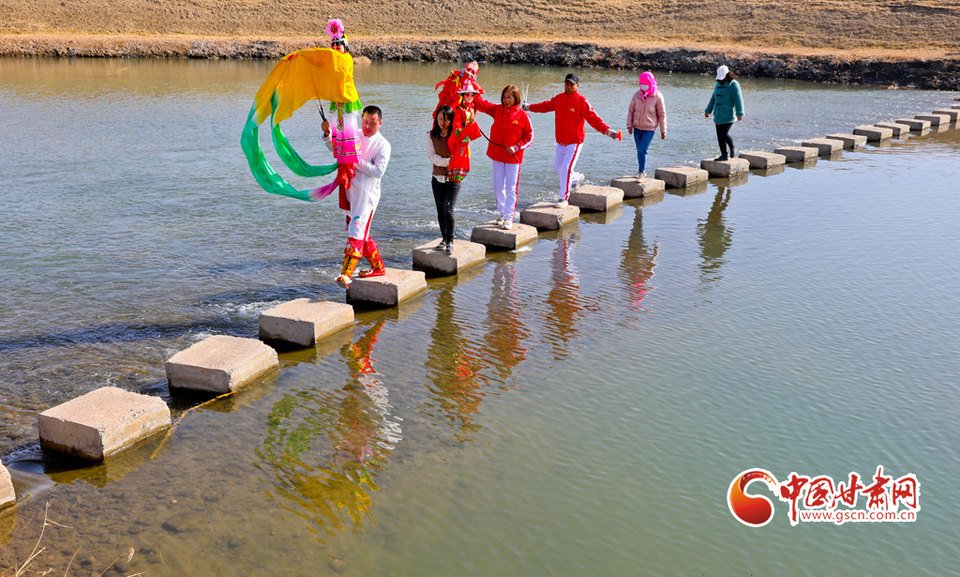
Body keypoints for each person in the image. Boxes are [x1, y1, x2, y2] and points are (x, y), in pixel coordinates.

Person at [525, 73, 620, 207]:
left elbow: (594, 119)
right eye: (566, 84)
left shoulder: (581, 101)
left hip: (575, 142)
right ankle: (576, 178)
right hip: (561, 142)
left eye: (571, 85)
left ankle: (564, 198)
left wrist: (607, 131)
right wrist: (528, 107)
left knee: (566, 169)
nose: (568, 87)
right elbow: (544, 106)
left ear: (577, 86)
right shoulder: (559, 98)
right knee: (558, 168)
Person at [323, 105, 391, 288]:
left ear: (380, 123)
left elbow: (378, 171)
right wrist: (328, 134)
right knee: (363, 234)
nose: (368, 126)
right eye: (365, 122)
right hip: (350, 191)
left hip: (367, 197)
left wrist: (353, 157)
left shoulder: (383, 145)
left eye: (373, 123)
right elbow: (336, 148)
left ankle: (346, 274)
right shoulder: (355, 134)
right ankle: (378, 267)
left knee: (357, 232)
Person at [474, 85, 534, 229]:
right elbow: (481, 103)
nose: (506, 100)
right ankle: (501, 213)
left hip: (514, 158)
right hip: (497, 155)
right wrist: (470, 82)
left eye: (509, 97)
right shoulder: (497, 110)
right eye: (504, 97)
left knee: (511, 188)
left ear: (516, 98)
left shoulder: (523, 116)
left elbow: (530, 137)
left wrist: (516, 147)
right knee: (498, 186)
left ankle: (509, 217)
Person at [427, 105, 459, 253]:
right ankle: (444, 238)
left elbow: (462, 153)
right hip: (437, 177)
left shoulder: (457, 134)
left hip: (454, 177)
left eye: (446, 119)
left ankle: (451, 241)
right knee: (440, 210)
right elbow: (431, 156)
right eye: (440, 119)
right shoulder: (432, 135)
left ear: (451, 120)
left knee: (448, 209)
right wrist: (447, 161)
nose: (442, 122)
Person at [626, 71, 667, 181]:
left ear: (651, 83)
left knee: (642, 150)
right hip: (637, 128)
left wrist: (663, 130)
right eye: (641, 84)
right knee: (639, 150)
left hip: (650, 128)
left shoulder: (657, 96)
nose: (643, 86)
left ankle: (642, 172)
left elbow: (662, 115)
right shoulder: (637, 95)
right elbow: (631, 111)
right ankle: (641, 170)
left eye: (645, 84)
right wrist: (629, 125)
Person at [704, 65, 744, 161]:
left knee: (724, 134)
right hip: (718, 114)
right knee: (719, 135)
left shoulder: (734, 84)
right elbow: (713, 99)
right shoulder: (718, 85)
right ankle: (724, 155)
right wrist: (708, 110)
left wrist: (740, 113)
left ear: (727, 75)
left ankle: (732, 147)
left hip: (729, 115)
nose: (720, 81)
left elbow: (738, 100)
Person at [446, 80, 483, 184]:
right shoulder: (459, 111)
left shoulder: (470, 110)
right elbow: (458, 131)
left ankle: (456, 182)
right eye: (467, 95)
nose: (470, 97)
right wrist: (471, 123)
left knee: (463, 165)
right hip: (459, 142)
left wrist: (472, 121)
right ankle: (454, 182)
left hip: (466, 142)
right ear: (463, 96)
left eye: (472, 95)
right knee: (457, 165)